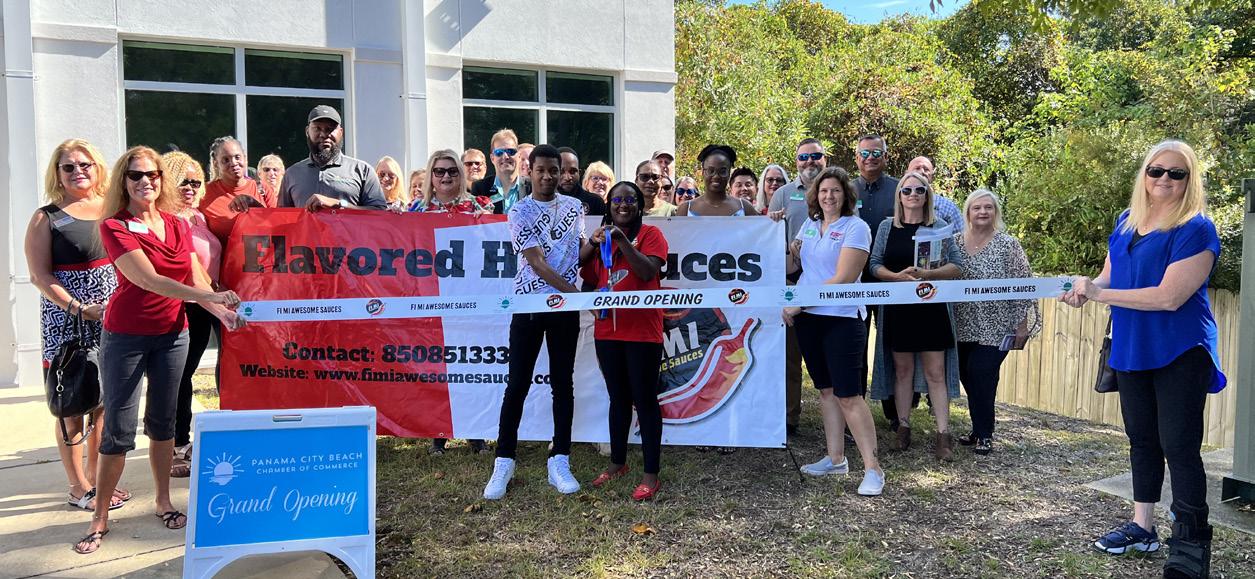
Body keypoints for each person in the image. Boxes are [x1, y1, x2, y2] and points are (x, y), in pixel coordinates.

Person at [1062, 140, 1224, 578]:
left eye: (1176, 173)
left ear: (1190, 180)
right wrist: (1084, 289)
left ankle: (1190, 543)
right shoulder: (1127, 220)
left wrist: (1100, 294)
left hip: (1180, 349)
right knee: (1142, 439)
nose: (1164, 180)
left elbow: (1170, 297)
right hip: (1132, 345)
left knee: (1179, 446)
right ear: (1145, 174)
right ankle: (1142, 527)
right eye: (1156, 171)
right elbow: (1108, 277)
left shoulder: (1196, 229)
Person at [73, 146, 244, 555]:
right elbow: (148, 280)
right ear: (123, 181)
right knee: (118, 429)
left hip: (173, 334)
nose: (145, 181)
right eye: (135, 175)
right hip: (126, 337)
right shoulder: (114, 226)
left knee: (164, 425)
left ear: (161, 180)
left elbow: (195, 275)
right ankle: (100, 516)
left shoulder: (176, 224)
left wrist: (221, 311)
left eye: (152, 174)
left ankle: (163, 501)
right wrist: (209, 297)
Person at [24, 139, 127, 513]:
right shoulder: (46, 218)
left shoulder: (113, 209)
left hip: (111, 318)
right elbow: (39, 275)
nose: (78, 171)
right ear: (57, 173)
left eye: (85, 164)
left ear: (98, 168)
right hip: (67, 322)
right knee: (72, 403)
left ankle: (98, 480)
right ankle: (77, 486)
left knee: (103, 403)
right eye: (68, 167)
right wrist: (78, 308)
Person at [483, 144, 587, 500]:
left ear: (561, 172)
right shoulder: (519, 211)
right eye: (540, 170)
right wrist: (575, 295)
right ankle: (504, 461)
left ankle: (560, 459)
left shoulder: (574, 207)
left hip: (564, 312)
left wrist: (596, 243)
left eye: (553, 170)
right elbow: (538, 263)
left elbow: (579, 254)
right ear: (530, 171)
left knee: (562, 384)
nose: (547, 176)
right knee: (517, 384)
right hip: (528, 305)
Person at [782, 166, 884, 495]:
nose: (829, 196)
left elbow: (843, 278)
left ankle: (873, 469)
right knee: (826, 391)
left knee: (848, 395)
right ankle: (836, 459)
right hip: (810, 319)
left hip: (842, 318)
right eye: (824, 191)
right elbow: (795, 267)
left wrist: (798, 304)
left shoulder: (856, 227)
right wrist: (776, 236)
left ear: (846, 195)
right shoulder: (810, 226)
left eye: (835, 191)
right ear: (815, 195)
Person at [580, 181, 668, 501]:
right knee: (617, 398)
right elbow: (588, 280)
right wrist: (594, 302)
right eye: (616, 200)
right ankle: (618, 463)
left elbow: (647, 272)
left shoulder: (651, 235)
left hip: (643, 331)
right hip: (608, 331)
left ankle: (650, 474)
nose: (623, 205)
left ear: (640, 206)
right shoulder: (601, 240)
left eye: (630, 199)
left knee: (644, 400)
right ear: (608, 205)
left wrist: (622, 241)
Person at [868, 170, 963, 460]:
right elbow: (874, 264)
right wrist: (896, 277)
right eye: (907, 190)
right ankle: (903, 427)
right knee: (903, 370)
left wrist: (928, 274)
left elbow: (957, 266)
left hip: (932, 309)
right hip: (898, 309)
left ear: (927, 195)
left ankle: (943, 434)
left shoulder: (940, 225)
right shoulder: (887, 227)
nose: (913, 195)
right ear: (899, 195)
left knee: (935, 372)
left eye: (919, 190)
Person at [953, 189, 1037, 456]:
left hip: (996, 326)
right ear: (968, 212)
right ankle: (978, 428)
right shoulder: (954, 243)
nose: (982, 212)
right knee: (967, 375)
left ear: (995, 212)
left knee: (982, 373)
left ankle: (985, 434)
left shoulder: (1008, 245)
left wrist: (1021, 326)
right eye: (977, 208)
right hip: (961, 324)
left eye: (988, 207)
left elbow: (1023, 285)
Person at [158, 152, 222, 478]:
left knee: (188, 373)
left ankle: (183, 439)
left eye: (196, 182)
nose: (190, 188)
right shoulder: (166, 219)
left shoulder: (198, 216)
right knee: (178, 376)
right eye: (183, 181)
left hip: (205, 303)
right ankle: (174, 444)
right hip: (182, 303)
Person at [853, 133, 917, 432]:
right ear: (856, 158)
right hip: (853, 280)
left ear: (886, 157)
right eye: (865, 153)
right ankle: (855, 407)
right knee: (856, 344)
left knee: (892, 344)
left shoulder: (899, 189)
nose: (870, 158)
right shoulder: (846, 189)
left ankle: (895, 411)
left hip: (893, 280)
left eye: (876, 152)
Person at [768, 138, 826, 436]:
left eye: (815, 155)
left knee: (829, 356)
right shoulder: (783, 194)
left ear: (825, 159)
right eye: (804, 157)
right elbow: (770, 242)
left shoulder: (836, 191)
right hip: (791, 282)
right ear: (796, 162)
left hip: (829, 285)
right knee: (790, 358)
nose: (810, 161)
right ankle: (790, 418)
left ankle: (841, 419)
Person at [277, 105, 387, 211]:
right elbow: (281, 218)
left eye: (330, 129)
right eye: (317, 128)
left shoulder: (362, 171)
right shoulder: (292, 174)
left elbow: (380, 213)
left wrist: (340, 204)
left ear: (341, 132)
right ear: (307, 131)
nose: (324, 134)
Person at [199, 136, 274, 246]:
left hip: (262, 256)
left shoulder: (263, 189)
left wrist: (254, 204)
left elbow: (277, 227)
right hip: (225, 257)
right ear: (216, 164)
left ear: (245, 158)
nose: (233, 163)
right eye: (226, 160)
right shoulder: (203, 193)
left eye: (237, 157)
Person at [676, 145, 756, 217]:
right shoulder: (686, 210)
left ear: (729, 173)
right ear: (703, 172)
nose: (716, 176)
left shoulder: (745, 208)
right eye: (711, 171)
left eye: (722, 171)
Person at [471, 129, 528, 214]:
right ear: (492, 158)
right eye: (499, 152)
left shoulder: (532, 187)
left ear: (519, 156)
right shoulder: (480, 188)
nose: (505, 156)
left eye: (510, 151)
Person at [907, 156, 964, 233]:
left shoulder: (948, 208)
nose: (922, 171)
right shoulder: (895, 201)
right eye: (917, 168)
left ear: (932, 176)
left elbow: (960, 236)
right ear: (906, 174)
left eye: (926, 169)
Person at [557, 147, 607, 216]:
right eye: (561, 172)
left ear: (579, 173)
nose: (567, 177)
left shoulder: (595, 202)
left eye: (572, 172)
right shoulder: (543, 203)